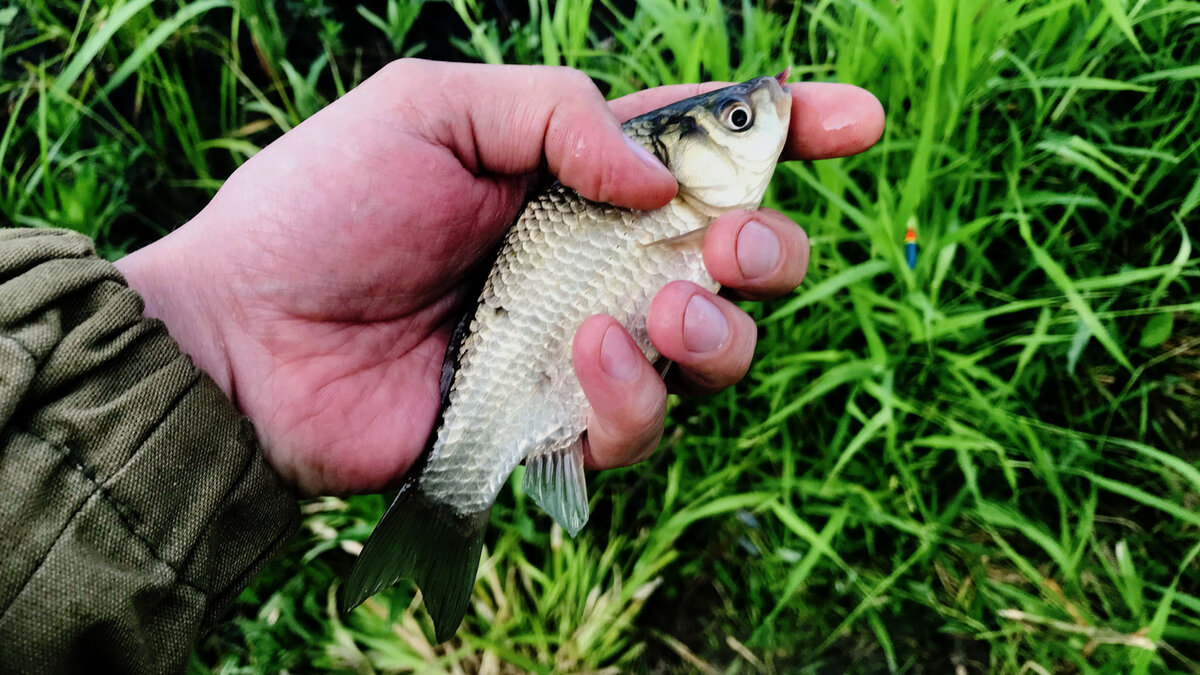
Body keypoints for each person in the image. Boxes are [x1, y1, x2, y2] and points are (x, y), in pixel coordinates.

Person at [0, 59, 884, 672]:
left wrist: (218, 329)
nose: (757, 115)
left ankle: (449, 509)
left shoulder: (674, 194)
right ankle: (444, 511)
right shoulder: (657, 185)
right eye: (736, 118)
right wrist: (218, 318)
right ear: (684, 150)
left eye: (742, 119)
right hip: (498, 342)